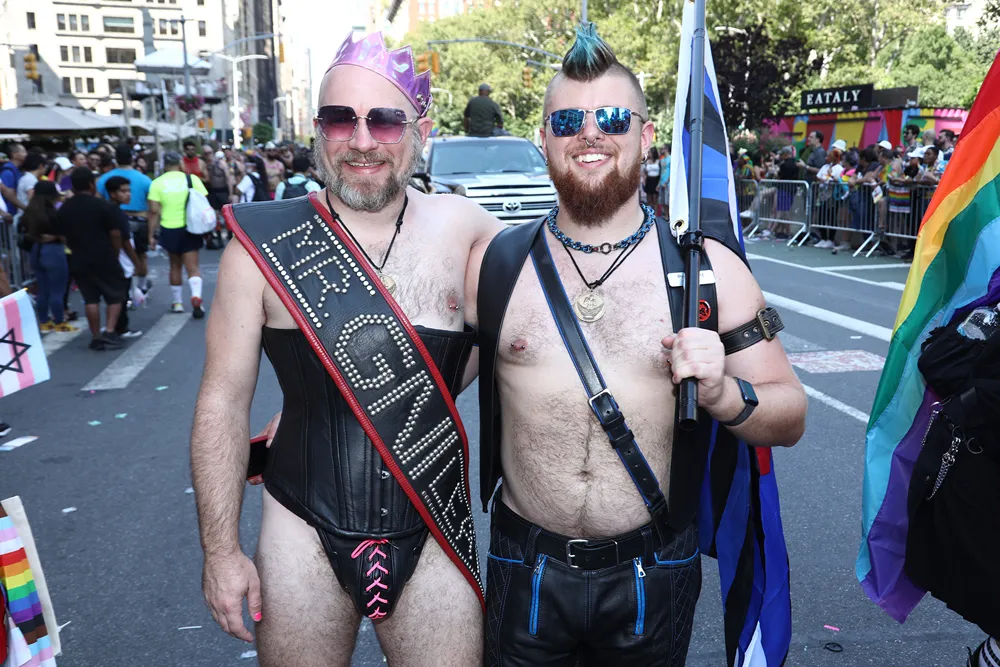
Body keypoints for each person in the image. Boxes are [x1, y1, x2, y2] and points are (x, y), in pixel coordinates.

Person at [474, 24, 806, 665]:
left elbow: (790, 415)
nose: (589, 133)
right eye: (567, 120)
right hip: (524, 565)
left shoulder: (710, 271)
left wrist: (723, 393)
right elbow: (426, 379)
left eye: (612, 118)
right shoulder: (496, 263)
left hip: (655, 568)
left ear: (646, 136)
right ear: (544, 139)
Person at [190, 30, 502, 666]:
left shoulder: (468, 230)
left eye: (385, 121)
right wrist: (220, 553)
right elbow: (222, 400)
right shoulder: (260, 246)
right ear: (318, 130)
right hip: (299, 527)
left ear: (421, 130)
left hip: (432, 523)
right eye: (340, 119)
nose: (361, 141)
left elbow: (518, 339)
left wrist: (394, 397)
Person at [54, 168, 126, 350]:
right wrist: (115, 252)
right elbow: (115, 233)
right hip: (104, 255)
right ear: (91, 184)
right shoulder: (103, 206)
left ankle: (96, 335)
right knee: (115, 294)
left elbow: (62, 235)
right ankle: (110, 330)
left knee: (90, 298)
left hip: (79, 257)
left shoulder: (65, 208)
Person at [147, 151, 208, 318]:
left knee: (174, 265)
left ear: (164, 165)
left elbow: (154, 211)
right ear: (180, 163)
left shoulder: (157, 183)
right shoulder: (192, 180)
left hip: (169, 228)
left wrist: (151, 235)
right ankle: (196, 296)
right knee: (193, 268)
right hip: (190, 227)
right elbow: (202, 202)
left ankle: (178, 302)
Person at [97, 145, 154, 294]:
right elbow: (152, 205)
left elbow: (98, 200)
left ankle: (124, 287)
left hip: (112, 220)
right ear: (132, 158)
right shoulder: (144, 179)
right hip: (140, 219)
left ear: (116, 159)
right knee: (141, 255)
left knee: (117, 254)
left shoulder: (104, 179)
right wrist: (153, 231)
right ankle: (141, 286)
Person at [23, 181, 76, 332]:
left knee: (43, 288)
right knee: (57, 290)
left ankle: (44, 321)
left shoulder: (29, 212)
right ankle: (59, 321)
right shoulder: (53, 214)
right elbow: (64, 235)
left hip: (36, 250)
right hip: (54, 251)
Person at [104, 175, 144, 339]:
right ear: (113, 193)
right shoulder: (115, 213)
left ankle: (116, 326)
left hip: (115, 257)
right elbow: (124, 241)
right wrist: (136, 262)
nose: (128, 194)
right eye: (123, 191)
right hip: (120, 259)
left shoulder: (112, 210)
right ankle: (120, 327)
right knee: (121, 294)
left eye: (129, 191)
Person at [13, 153, 46, 226]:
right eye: (45, 166)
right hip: (28, 218)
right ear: (41, 166)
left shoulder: (28, 177)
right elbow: (32, 199)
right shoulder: (30, 179)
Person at [0, 143, 26, 215]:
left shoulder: (16, 170)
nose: (26, 154)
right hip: (9, 213)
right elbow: (7, 193)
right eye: (23, 151)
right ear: (14, 154)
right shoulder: (8, 172)